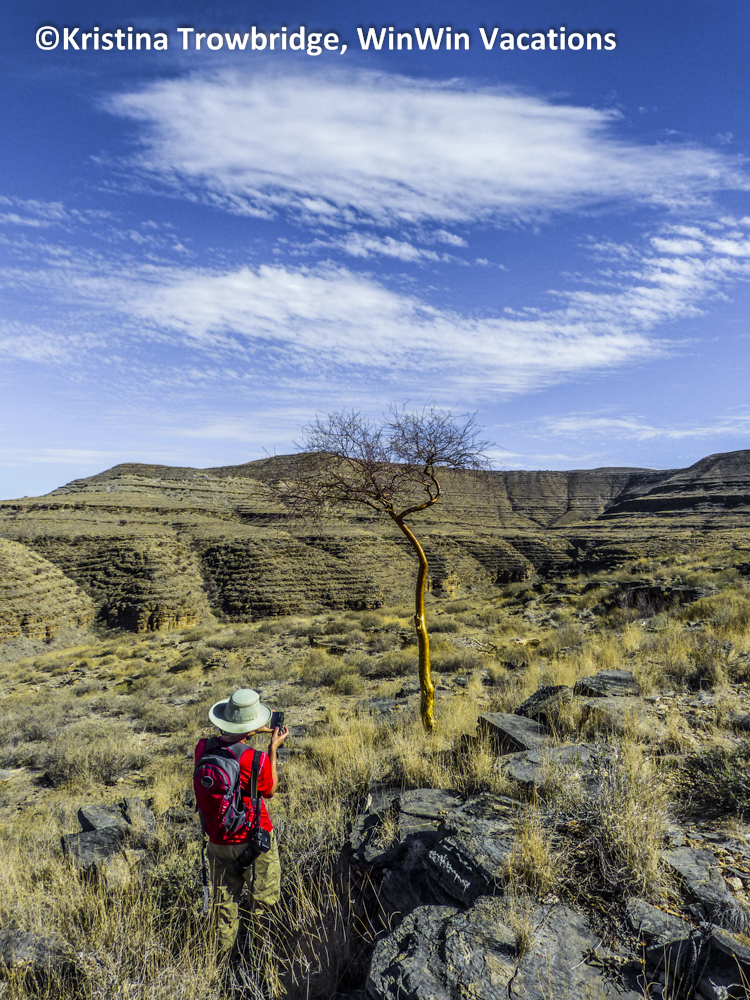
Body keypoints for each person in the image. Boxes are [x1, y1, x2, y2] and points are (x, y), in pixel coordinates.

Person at [194, 688, 289, 957]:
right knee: (264, 904)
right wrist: (272, 749)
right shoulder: (254, 758)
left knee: (223, 907)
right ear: (251, 725)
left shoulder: (202, 748)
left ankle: (223, 961)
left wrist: (248, 730)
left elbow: (228, 744)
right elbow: (270, 790)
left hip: (217, 841)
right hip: (253, 842)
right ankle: (263, 961)